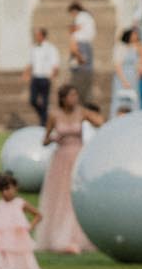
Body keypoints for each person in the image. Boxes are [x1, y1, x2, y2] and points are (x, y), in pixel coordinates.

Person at [39, 85, 103, 254]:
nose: (74, 99)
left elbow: (100, 122)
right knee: (61, 197)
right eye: (71, 96)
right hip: (61, 159)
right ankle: (60, 236)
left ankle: (79, 236)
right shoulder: (54, 115)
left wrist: (91, 114)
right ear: (63, 98)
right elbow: (44, 141)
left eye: (76, 95)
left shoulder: (81, 112)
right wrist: (54, 138)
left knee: (75, 196)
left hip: (77, 157)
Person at [25, 27, 61, 126]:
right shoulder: (33, 48)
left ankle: (44, 122)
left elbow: (55, 64)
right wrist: (27, 73)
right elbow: (31, 62)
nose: (36, 37)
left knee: (45, 101)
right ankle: (43, 116)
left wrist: (52, 76)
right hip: (36, 77)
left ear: (42, 36)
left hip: (45, 77)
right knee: (33, 100)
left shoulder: (50, 48)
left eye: (37, 35)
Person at [112, 27, 142, 115]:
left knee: (133, 99)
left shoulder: (135, 48)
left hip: (133, 77)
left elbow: (139, 61)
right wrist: (124, 81)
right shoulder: (121, 47)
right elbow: (117, 65)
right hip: (123, 77)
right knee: (121, 99)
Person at [67, 2, 97, 93]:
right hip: (85, 45)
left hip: (81, 45)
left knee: (79, 73)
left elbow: (76, 29)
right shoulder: (87, 17)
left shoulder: (81, 16)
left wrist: (78, 55)